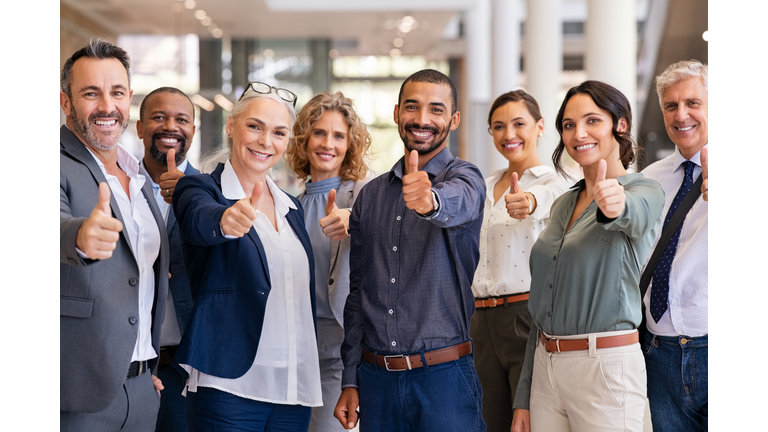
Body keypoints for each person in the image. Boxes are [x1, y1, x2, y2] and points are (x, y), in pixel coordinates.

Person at [334, 69, 487, 432]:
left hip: (444, 380)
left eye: (436, 110)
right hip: (376, 382)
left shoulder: (466, 178)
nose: (421, 119)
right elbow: (358, 294)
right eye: (412, 107)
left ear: (454, 119)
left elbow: (458, 202)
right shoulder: (369, 197)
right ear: (396, 113)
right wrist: (351, 378)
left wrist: (429, 200)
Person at [511, 80, 665, 432]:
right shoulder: (564, 202)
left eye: (592, 121)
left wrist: (615, 203)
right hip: (546, 366)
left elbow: (634, 214)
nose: (578, 133)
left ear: (620, 125)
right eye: (568, 125)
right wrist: (524, 394)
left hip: (604, 366)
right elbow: (543, 304)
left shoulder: (644, 189)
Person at [172, 82, 322, 432]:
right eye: (254, 126)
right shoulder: (201, 189)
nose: (265, 141)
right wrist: (225, 220)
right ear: (231, 126)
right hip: (228, 387)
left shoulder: (291, 207)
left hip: (292, 388)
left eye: (278, 132)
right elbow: (198, 219)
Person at [60, 40, 169, 431]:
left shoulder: (137, 176)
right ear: (66, 102)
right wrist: (80, 236)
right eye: (91, 93)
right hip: (73, 396)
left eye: (117, 92)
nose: (107, 106)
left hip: (141, 388)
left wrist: (145, 371)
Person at [470, 90, 568, 432]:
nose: (508, 134)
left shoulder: (558, 184)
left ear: (540, 127)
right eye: (498, 126)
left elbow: (543, 199)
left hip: (525, 317)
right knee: (487, 421)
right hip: (480, 321)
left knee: (529, 421)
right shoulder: (482, 186)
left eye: (518, 124)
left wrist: (527, 200)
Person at [285, 90, 373, 432]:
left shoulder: (364, 195)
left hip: (341, 342)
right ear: (305, 139)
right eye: (319, 132)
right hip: (294, 340)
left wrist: (354, 219)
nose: (328, 143)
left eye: (339, 135)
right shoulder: (288, 204)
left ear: (350, 144)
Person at [639, 60, 708, 432]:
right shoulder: (649, 180)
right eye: (671, 105)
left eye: (693, 103)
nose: (681, 115)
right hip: (658, 350)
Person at [136, 86, 200, 432]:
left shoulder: (212, 191)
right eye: (158, 117)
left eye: (181, 119)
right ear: (139, 127)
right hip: (127, 367)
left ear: (193, 130)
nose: (170, 126)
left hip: (187, 368)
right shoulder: (120, 186)